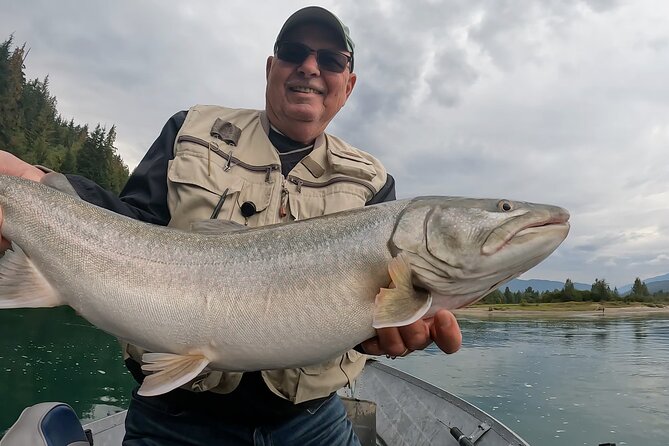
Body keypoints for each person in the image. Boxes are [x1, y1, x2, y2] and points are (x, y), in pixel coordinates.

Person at [0, 6, 462, 445]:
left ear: (350, 83)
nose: (309, 66)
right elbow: (131, 230)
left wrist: (390, 329)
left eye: (330, 59)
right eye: (293, 52)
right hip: (174, 416)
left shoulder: (374, 184)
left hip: (311, 421)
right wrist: (36, 187)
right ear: (270, 67)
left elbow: (372, 316)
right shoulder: (190, 130)